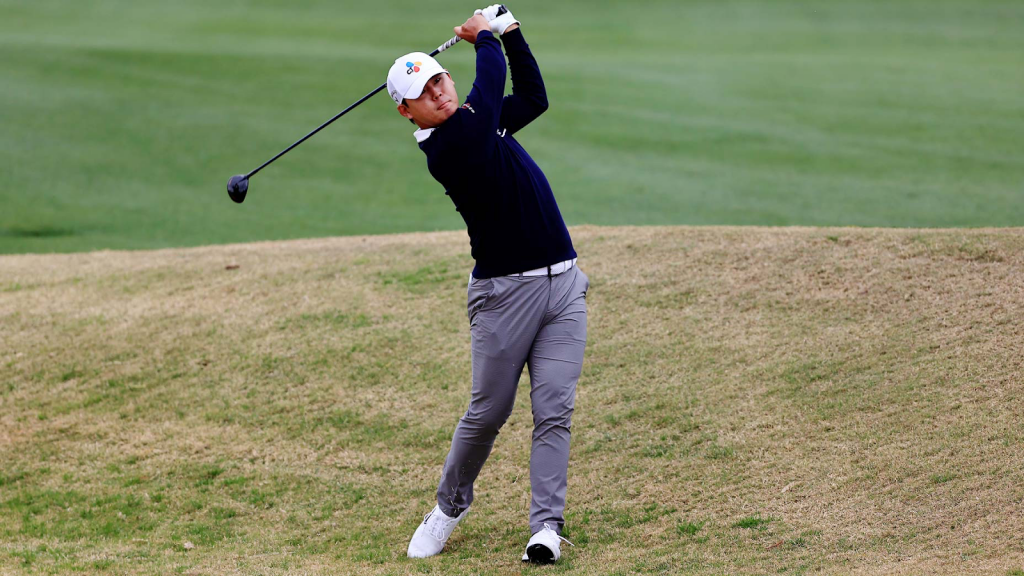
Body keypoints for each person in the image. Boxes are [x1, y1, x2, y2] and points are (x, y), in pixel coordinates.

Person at [385, 5, 588, 564]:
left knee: (553, 410)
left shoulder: (480, 122)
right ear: (408, 112)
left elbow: (534, 97)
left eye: (439, 79)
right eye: (425, 92)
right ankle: (448, 506)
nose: (440, 93)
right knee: (487, 414)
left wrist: (512, 33)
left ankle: (546, 527)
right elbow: (490, 84)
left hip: (564, 285)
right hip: (504, 298)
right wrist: (483, 39)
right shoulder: (446, 148)